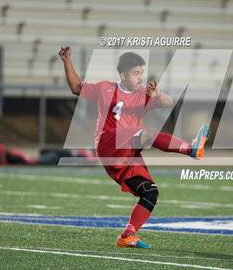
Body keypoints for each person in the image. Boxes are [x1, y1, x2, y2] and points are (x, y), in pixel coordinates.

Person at [58, 47, 210, 248]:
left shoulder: (142, 94)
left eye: (141, 73)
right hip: (109, 143)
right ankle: (191, 149)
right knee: (145, 134)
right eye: (135, 73)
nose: (140, 77)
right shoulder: (105, 89)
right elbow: (76, 87)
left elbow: (168, 102)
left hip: (127, 154)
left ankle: (128, 234)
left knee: (150, 192)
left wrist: (157, 94)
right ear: (123, 74)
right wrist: (67, 60)